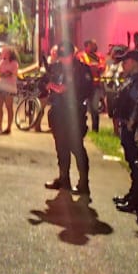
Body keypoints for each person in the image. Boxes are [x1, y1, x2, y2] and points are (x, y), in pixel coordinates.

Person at [44, 41, 93, 196]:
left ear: (73, 54)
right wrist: (47, 85)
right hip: (58, 112)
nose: (63, 59)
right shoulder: (56, 67)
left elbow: (85, 89)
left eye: (65, 55)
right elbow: (44, 84)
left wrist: (64, 89)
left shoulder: (81, 69)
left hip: (74, 113)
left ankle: (83, 183)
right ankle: (63, 179)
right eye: (61, 55)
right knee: (61, 147)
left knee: (76, 147)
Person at [109, 47, 138, 215]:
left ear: (134, 63)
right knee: (132, 163)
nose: (123, 65)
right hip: (127, 126)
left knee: (137, 165)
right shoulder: (132, 79)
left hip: (134, 128)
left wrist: (131, 123)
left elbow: (137, 105)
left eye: (125, 62)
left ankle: (137, 200)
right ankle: (133, 195)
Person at [79, 39, 107, 132]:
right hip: (83, 86)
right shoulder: (81, 55)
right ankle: (81, 127)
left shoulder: (99, 56)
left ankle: (95, 129)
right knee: (81, 107)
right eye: (92, 45)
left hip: (95, 86)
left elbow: (102, 66)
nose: (95, 46)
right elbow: (82, 66)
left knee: (95, 108)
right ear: (87, 46)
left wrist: (94, 67)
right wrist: (91, 67)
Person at [0, 46, 21, 134]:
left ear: (9, 53)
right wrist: (0, 73)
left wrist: (3, 74)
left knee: (9, 107)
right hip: (1, 85)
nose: (2, 53)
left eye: (4, 52)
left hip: (10, 87)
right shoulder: (2, 61)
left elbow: (9, 74)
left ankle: (9, 127)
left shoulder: (14, 63)